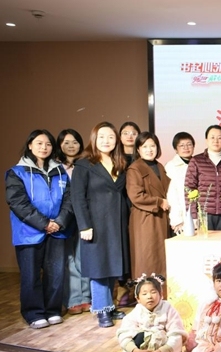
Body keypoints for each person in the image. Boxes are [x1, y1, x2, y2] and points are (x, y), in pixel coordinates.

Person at [6, 129, 72, 329]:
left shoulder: (59, 171)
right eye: (39, 143)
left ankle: (52, 310)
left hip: (57, 230)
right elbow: (18, 203)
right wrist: (45, 223)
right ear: (30, 145)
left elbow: (69, 199)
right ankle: (33, 313)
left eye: (48, 144)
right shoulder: (17, 172)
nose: (44, 147)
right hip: (29, 233)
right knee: (31, 275)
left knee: (56, 274)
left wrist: (59, 222)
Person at [71, 122, 130, 328]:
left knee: (112, 266)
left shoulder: (120, 163)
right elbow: (77, 197)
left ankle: (109, 306)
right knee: (98, 268)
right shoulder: (84, 165)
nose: (106, 141)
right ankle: (101, 309)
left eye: (111, 137)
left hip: (116, 223)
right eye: (102, 136)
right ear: (94, 139)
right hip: (94, 224)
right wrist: (84, 225)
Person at [126, 133, 171, 290]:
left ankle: (160, 294)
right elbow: (136, 196)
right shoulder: (135, 168)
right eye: (144, 146)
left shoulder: (160, 166)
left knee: (160, 257)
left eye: (152, 146)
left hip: (160, 217)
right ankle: (145, 295)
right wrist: (159, 202)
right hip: (145, 219)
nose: (149, 149)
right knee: (146, 258)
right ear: (138, 149)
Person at [56, 129, 91, 314]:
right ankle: (74, 299)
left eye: (75, 142)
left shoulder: (86, 165)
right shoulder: (55, 167)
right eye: (66, 142)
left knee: (83, 256)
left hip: (82, 217)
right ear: (59, 145)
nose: (71, 146)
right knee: (68, 258)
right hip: (63, 217)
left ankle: (86, 297)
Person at [184, 124, 221, 231]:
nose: (216, 141)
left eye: (220, 138)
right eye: (212, 137)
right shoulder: (196, 161)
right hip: (204, 214)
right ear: (206, 140)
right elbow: (189, 189)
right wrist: (193, 215)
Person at [164, 132, 195, 235]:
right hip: (180, 219)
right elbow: (171, 195)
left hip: (197, 216)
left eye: (189, 144)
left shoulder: (198, 164)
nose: (186, 148)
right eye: (182, 145)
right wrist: (176, 219)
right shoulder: (171, 166)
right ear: (175, 149)